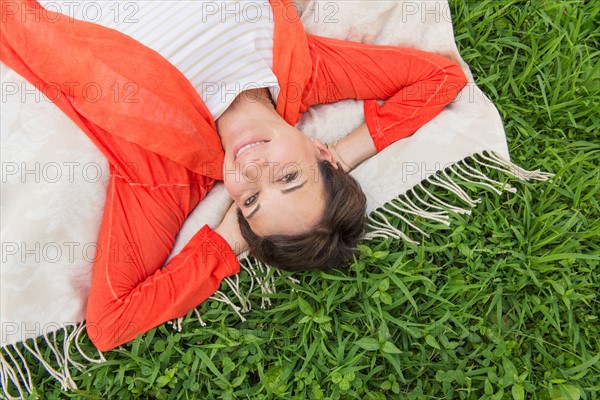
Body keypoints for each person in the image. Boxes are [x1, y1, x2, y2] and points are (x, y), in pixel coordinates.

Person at [1, 0, 467, 351]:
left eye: (250, 201)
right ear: (319, 151)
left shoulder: (163, 173)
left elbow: (110, 324)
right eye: (288, 176)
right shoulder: (308, 72)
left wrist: (225, 243)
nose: (250, 171)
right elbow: (441, 80)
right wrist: (347, 151)